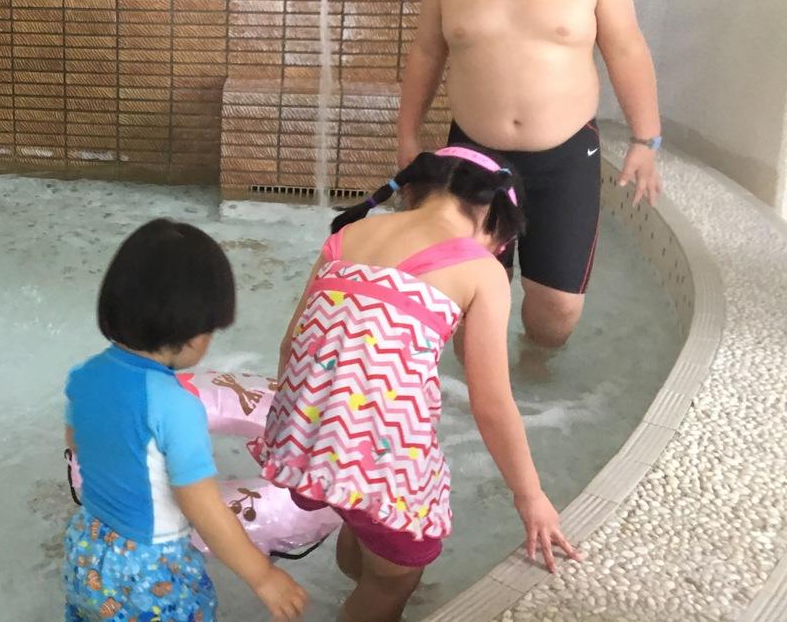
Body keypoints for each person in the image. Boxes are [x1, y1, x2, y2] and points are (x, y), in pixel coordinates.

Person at [253, 147, 579, 622]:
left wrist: (317, 436)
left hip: (305, 439)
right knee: (397, 579)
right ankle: (377, 587)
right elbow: (491, 403)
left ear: (411, 193)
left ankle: (366, 567)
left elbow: (291, 345)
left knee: (365, 517)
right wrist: (530, 496)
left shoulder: (349, 235)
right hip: (380, 461)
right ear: (494, 218)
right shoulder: (481, 270)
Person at [397, 0, 662, 351]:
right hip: (473, 156)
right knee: (468, 301)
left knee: (557, 310)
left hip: (563, 157)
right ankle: (475, 393)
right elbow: (426, 53)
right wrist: (407, 136)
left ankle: (535, 379)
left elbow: (627, 50)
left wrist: (645, 140)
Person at [64, 219, 308, 622]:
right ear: (194, 333)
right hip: (147, 572)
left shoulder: (83, 377)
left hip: (87, 549)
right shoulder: (175, 407)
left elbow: (78, 446)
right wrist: (262, 576)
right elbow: (203, 507)